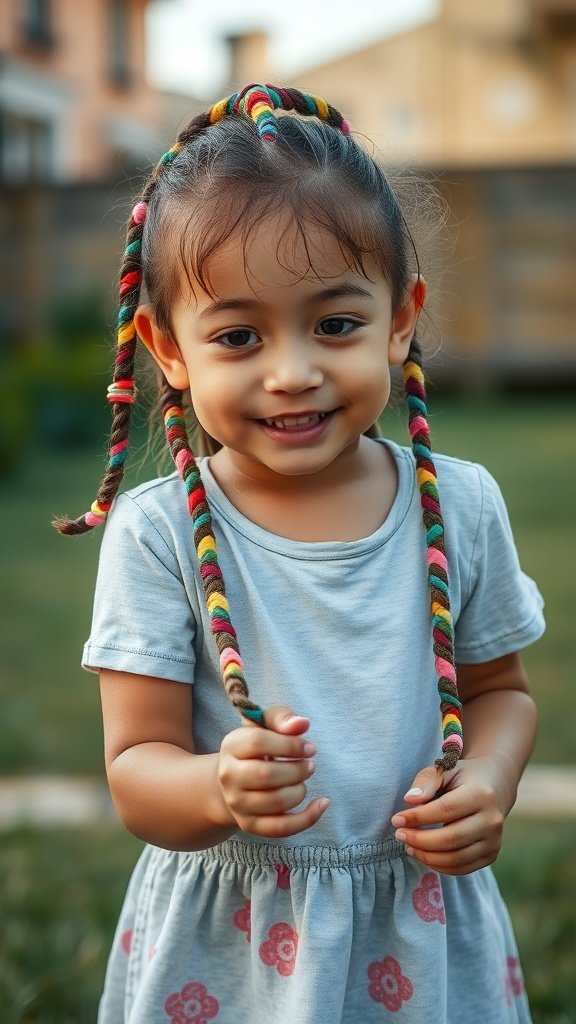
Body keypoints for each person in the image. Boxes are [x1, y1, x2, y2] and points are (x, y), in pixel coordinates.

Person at [55, 84, 545, 1023]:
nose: (292, 370)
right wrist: (212, 785)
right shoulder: (160, 535)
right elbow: (135, 768)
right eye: (238, 335)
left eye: (336, 324)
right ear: (169, 349)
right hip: (231, 946)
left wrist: (486, 780)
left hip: (423, 921)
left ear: (401, 320)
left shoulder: (461, 506)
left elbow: (501, 694)